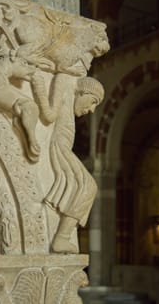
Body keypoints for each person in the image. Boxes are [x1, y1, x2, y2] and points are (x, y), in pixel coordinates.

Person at [44, 76, 104, 253]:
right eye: (93, 101)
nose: (92, 109)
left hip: (63, 150)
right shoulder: (64, 87)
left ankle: (62, 237)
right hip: (58, 149)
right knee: (89, 186)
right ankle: (61, 239)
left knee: (87, 186)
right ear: (83, 92)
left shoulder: (69, 99)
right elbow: (50, 113)